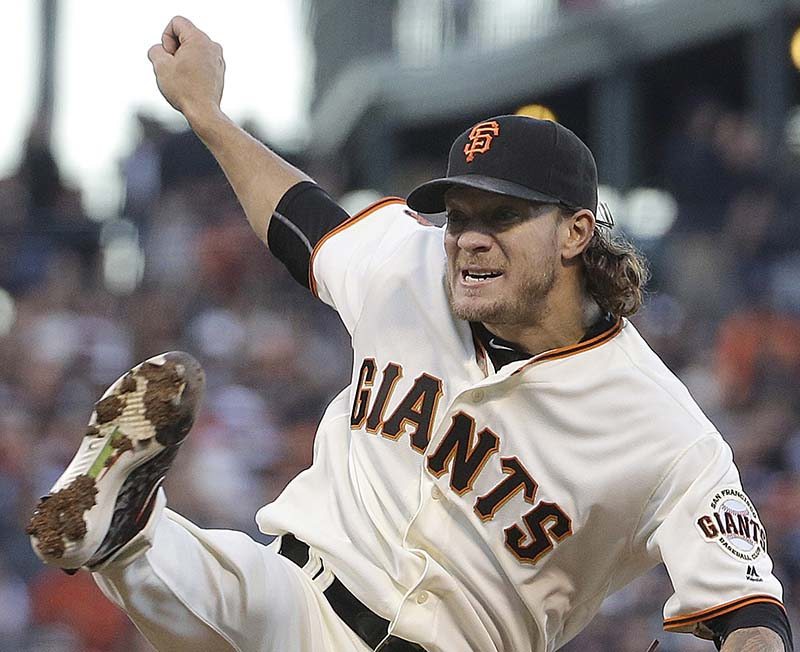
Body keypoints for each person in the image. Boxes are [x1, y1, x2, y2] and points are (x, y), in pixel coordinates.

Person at [27, 16, 792, 652]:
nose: (468, 240)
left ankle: (130, 542)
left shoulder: (664, 429)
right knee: (225, 584)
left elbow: (749, 610)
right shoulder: (413, 262)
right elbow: (303, 221)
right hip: (293, 594)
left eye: (502, 217)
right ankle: (119, 528)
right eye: (460, 217)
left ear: (575, 233)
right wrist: (208, 117)